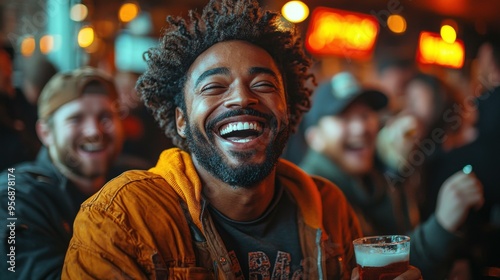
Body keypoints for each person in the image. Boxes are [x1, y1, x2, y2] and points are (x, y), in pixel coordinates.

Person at [62, 1, 421, 279]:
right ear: (182, 121)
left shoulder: (329, 206)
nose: (241, 99)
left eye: (263, 84)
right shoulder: (122, 218)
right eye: (215, 87)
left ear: (288, 110)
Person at [299, 71, 483, 279]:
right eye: (344, 117)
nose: (361, 127)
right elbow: (378, 266)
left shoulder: (371, 177)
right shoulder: (314, 193)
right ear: (314, 137)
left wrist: (396, 168)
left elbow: (400, 237)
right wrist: (442, 225)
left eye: (365, 115)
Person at [0, 66, 124, 279]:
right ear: (46, 133)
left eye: (105, 117)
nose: (94, 131)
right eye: (76, 118)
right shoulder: (15, 194)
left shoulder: (134, 181)